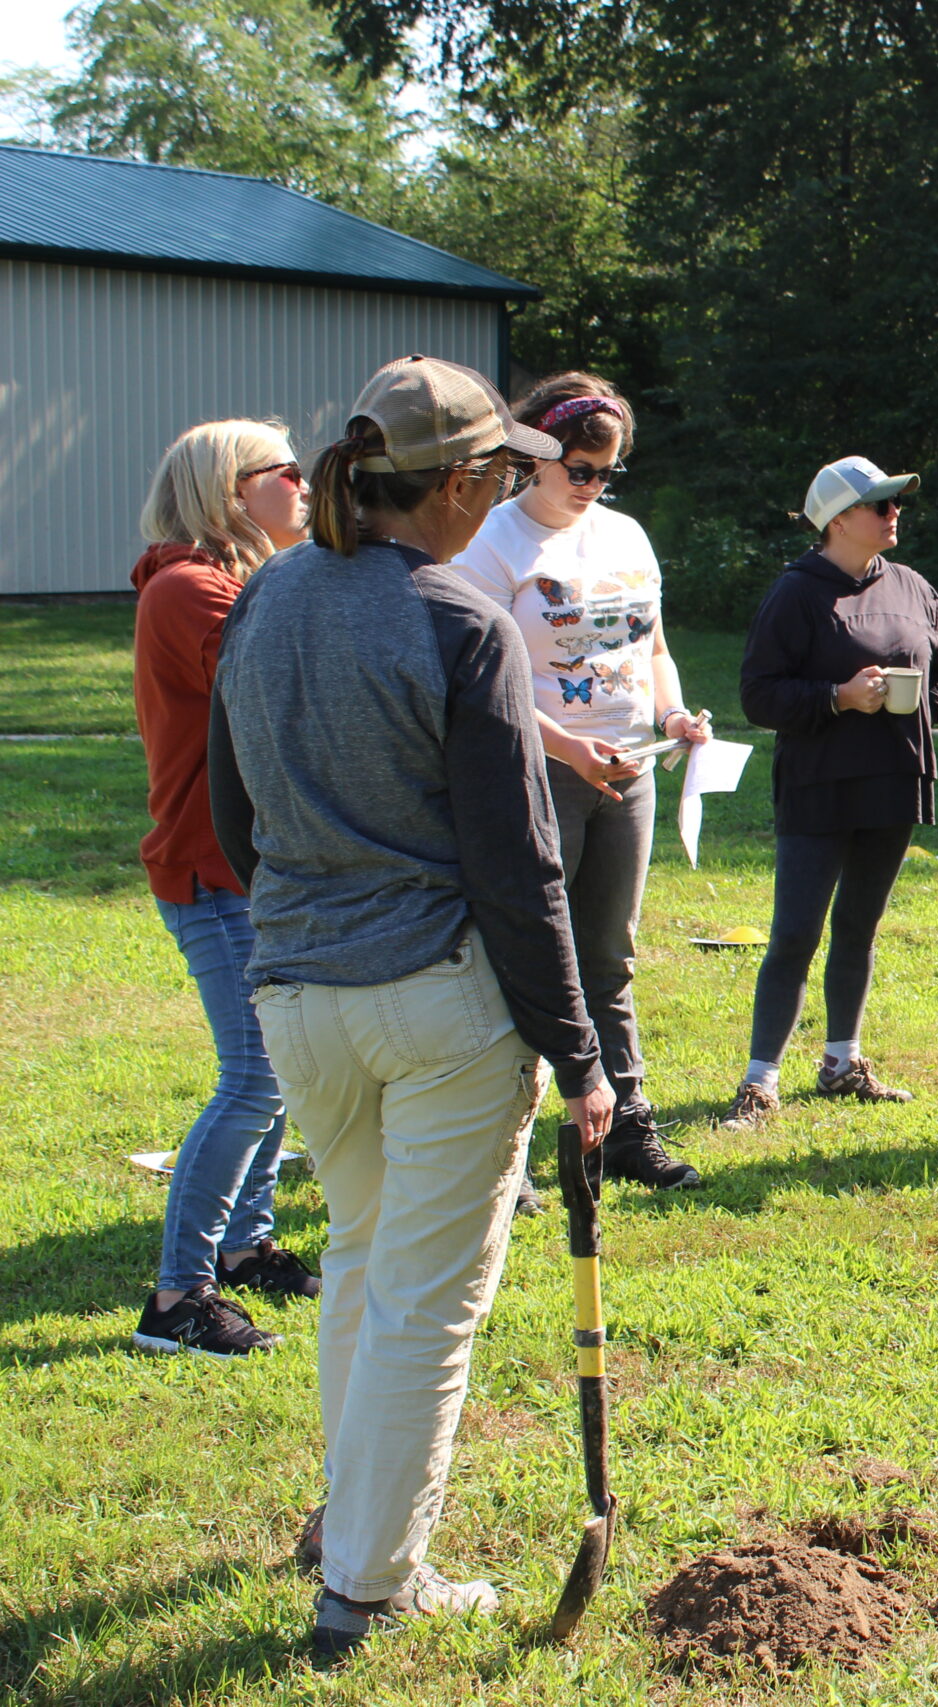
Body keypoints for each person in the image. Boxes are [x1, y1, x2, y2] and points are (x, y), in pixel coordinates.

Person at [205, 354, 616, 1661]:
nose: (500, 493)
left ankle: (353, 1527)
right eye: (498, 474)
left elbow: (233, 818)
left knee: (369, 1266)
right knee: (427, 1299)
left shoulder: (262, 602)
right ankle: (372, 1581)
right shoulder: (460, 621)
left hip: (299, 996)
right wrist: (583, 1051)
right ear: (455, 484)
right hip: (435, 1005)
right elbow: (519, 862)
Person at [451, 371, 707, 1200]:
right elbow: (487, 684)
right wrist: (569, 749)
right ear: (535, 458)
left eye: (608, 472)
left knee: (609, 954)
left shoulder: (627, 538)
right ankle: (512, 1156)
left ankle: (627, 1127)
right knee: (529, 956)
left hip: (626, 773)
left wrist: (671, 719)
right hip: (537, 774)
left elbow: (653, 650)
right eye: (579, 470)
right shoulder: (489, 544)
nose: (592, 488)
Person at [128, 419, 322, 1358]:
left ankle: (245, 1248)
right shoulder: (189, 590)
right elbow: (284, 689)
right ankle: (178, 1296)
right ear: (230, 491)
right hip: (211, 873)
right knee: (252, 1077)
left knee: (278, 1071)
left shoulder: (238, 582)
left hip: (252, 868)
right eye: (286, 471)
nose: (305, 482)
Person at [719, 454, 938, 1130]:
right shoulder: (796, 593)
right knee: (795, 932)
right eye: (880, 505)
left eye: (895, 504)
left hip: (893, 777)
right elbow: (758, 693)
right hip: (818, 785)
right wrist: (838, 697)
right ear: (837, 520)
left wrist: (925, 711)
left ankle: (841, 1062)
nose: (894, 515)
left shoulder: (911, 585)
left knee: (859, 925)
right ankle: (759, 1080)